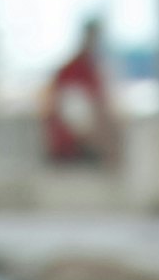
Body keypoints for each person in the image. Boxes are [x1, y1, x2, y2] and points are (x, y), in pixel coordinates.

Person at [43, 16, 122, 167]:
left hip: (84, 147)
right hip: (71, 151)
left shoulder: (91, 71)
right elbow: (78, 121)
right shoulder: (72, 72)